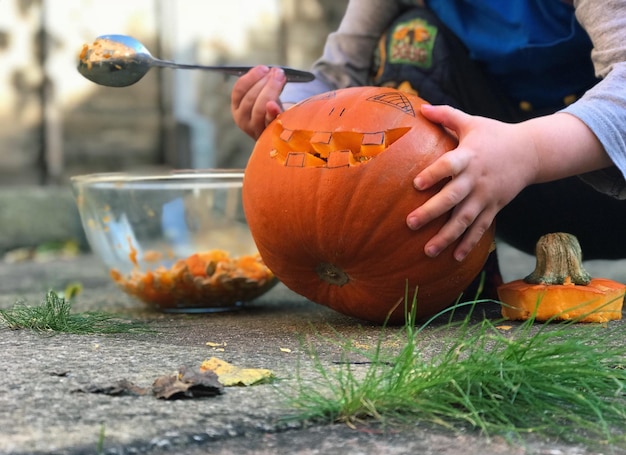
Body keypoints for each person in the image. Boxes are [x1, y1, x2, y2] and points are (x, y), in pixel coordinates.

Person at [230, 0, 626, 271]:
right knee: (412, 37)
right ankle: (451, 276)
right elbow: (339, 77)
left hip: (607, 198)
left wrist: (528, 151)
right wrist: (285, 108)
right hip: (483, 197)